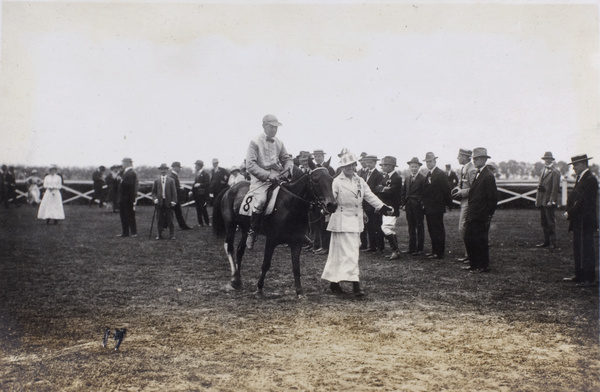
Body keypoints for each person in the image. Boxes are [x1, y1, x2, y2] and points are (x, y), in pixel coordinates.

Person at [321, 149, 392, 297]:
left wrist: (382, 207)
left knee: (348, 252)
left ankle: (334, 283)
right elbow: (329, 199)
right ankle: (356, 285)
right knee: (346, 253)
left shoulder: (360, 181)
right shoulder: (336, 182)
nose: (351, 168)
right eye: (347, 166)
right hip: (341, 221)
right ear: (342, 167)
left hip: (355, 221)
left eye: (353, 165)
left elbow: (370, 195)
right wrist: (326, 209)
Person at [245, 114, 294, 250]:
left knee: (291, 196)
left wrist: (288, 166)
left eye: (276, 127)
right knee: (260, 201)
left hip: (277, 176)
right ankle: (252, 232)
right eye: (271, 127)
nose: (274, 130)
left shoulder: (279, 142)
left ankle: (291, 231)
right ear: (264, 126)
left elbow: (286, 158)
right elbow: (250, 165)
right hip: (260, 179)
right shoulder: (255, 142)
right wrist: (267, 175)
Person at [563, 154, 598, 285]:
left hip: (585, 221)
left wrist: (570, 212)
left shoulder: (590, 179)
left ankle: (588, 278)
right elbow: (574, 198)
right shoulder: (581, 178)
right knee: (579, 248)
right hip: (579, 220)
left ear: (583, 164)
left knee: (586, 249)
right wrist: (569, 209)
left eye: (575, 165)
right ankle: (579, 275)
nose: (574, 168)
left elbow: (583, 201)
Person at [462, 148, 498, 273]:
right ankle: (473, 264)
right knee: (469, 238)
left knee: (480, 240)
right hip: (473, 213)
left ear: (484, 159)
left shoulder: (488, 176)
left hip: (481, 214)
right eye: (474, 158)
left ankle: (482, 265)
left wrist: (489, 214)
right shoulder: (479, 174)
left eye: (476, 158)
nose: (474, 160)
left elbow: (492, 197)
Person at [422, 152, 452, 259]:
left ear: (435, 161)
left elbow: (446, 190)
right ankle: (435, 251)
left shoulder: (439, 173)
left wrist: (448, 204)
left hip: (437, 207)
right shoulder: (429, 174)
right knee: (432, 229)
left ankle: (439, 252)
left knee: (437, 229)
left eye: (430, 161)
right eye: (427, 162)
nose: (428, 163)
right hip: (429, 207)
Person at [451, 149, 478, 263]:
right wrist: (457, 188)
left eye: (459, 156)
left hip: (468, 202)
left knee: (463, 228)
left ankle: (470, 254)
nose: (458, 158)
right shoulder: (464, 168)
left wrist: (463, 192)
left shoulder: (471, 170)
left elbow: (475, 188)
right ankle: (469, 254)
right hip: (464, 202)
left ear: (465, 157)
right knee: (463, 228)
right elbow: (462, 183)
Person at [374, 156, 403, 260]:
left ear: (392, 166)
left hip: (392, 207)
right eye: (382, 165)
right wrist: (384, 189)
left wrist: (383, 189)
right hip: (385, 206)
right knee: (387, 227)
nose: (383, 167)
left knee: (386, 227)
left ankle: (395, 251)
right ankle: (395, 250)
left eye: (385, 165)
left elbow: (392, 191)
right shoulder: (385, 177)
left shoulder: (397, 178)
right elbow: (377, 188)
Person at [534, 152, 561, 248]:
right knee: (544, 222)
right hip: (542, 200)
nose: (547, 160)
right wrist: (538, 199)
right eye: (545, 159)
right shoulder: (543, 170)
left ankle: (553, 243)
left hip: (549, 201)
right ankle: (546, 241)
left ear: (552, 160)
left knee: (551, 222)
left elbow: (555, 188)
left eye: (549, 158)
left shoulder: (555, 172)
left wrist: (551, 200)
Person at [401, 157, 426, 255]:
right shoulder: (407, 178)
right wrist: (403, 204)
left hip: (417, 206)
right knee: (411, 227)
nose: (414, 169)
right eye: (412, 167)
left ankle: (419, 249)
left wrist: (420, 203)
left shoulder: (422, 179)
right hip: (408, 206)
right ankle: (411, 248)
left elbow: (424, 193)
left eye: (416, 167)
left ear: (419, 167)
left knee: (419, 226)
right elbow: (403, 192)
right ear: (409, 167)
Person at [361, 154, 385, 253]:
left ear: (375, 163)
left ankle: (380, 247)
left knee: (377, 226)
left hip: (374, 205)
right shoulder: (364, 174)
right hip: (366, 205)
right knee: (369, 226)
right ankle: (372, 246)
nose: (368, 164)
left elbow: (378, 191)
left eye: (370, 162)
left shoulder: (378, 175)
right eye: (367, 162)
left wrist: (377, 205)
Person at [152, 163, 178, 240]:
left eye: (164, 169)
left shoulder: (171, 180)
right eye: (161, 169)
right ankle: (159, 234)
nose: (163, 171)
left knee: (170, 219)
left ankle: (172, 235)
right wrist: (155, 199)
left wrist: (174, 201)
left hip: (168, 202)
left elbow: (174, 192)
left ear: (167, 170)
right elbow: (153, 192)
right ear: (160, 170)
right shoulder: (156, 181)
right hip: (159, 202)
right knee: (159, 219)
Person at [116, 157, 138, 238]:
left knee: (129, 215)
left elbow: (131, 185)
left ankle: (133, 232)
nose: (122, 164)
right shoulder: (126, 172)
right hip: (123, 198)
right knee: (123, 215)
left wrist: (121, 180)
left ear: (127, 163)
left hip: (128, 198)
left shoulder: (131, 173)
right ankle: (125, 232)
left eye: (123, 162)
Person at [169, 162, 192, 230]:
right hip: (174, 198)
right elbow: (173, 188)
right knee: (175, 212)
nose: (180, 169)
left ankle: (182, 226)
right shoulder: (172, 176)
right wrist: (180, 188)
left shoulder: (174, 176)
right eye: (179, 168)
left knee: (175, 212)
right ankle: (183, 226)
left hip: (174, 198)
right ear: (175, 167)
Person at [190, 160, 211, 227]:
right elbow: (194, 183)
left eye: (196, 165)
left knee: (203, 209)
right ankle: (200, 223)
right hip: (197, 194)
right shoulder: (197, 174)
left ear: (200, 166)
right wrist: (191, 190)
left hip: (203, 195)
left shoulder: (205, 174)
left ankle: (207, 222)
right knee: (198, 209)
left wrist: (200, 184)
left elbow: (208, 184)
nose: (195, 167)